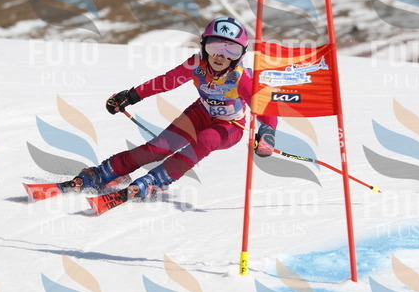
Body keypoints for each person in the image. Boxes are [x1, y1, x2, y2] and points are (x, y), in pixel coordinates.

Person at [66, 17, 278, 198]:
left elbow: (264, 107)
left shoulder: (242, 78)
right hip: (201, 114)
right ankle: (103, 173)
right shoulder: (196, 64)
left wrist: (267, 133)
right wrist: (130, 96)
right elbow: (166, 81)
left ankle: (156, 180)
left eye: (231, 50)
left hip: (230, 126)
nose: (221, 56)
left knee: (206, 140)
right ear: (203, 46)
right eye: (214, 47)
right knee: (158, 148)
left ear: (241, 54)